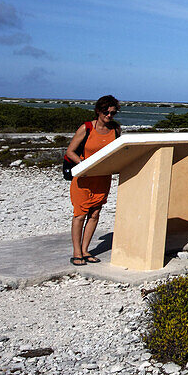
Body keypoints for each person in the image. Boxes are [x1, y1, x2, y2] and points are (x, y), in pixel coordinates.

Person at [64, 95, 121, 266]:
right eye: (106, 112)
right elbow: (70, 151)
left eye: (113, 112)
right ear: (98, 111)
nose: (109, 116)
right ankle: (76, 252)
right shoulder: (87, 128)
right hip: (84, 177)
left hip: (103, 177)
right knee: (80, 214)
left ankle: (85, 250)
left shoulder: (116, 130)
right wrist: (84, 165)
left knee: (95, 213)